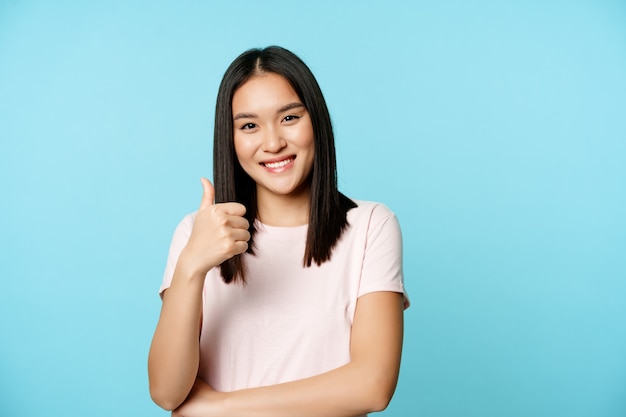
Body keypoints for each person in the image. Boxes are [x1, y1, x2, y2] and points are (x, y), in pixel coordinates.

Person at [148, 46, 409, 417]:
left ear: (315, 120)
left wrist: (218, 407)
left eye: (289, 118)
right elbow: (166, 392)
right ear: (231, 138)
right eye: (249, 125)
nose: (272, 143)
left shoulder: (370, 226)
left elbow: (372, 386)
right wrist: (191, 266)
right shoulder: (197, 233)